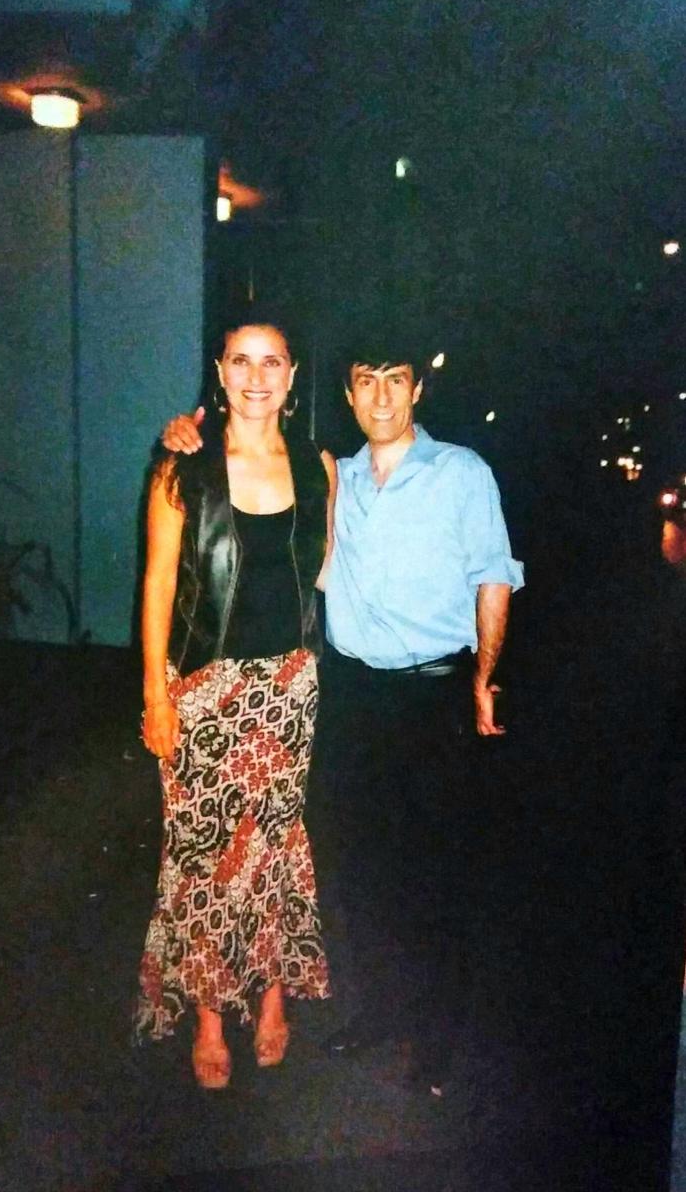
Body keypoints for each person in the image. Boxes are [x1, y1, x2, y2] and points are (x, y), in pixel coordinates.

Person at [162, 332, 524, 1090]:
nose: (382, 396)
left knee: (432, 870)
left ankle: (436, 1037)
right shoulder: (337, 475)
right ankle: (380, 1010)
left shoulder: (461, 472)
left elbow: (494, 575)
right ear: (349, 393)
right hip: (351, 695)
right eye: (367, 380)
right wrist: (183, 437)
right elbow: (299, 558)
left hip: (433, 694)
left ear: (417, 389)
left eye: (397, 379)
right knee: (358, 865)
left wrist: (486, 677)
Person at [136, 317, 336, 1090]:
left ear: (292, 376)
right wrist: (156, 695)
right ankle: (211, 1019)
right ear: (219, 373)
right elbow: (157, 583)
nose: (257, 376)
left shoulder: (319, 467)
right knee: (203, 856)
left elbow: (325, 566)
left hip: (288, 686)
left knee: (275, 846)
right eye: (241, 361)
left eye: (272, 362)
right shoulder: (181, 467)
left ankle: (273, 999)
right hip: (202, 688)